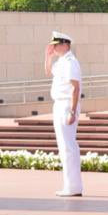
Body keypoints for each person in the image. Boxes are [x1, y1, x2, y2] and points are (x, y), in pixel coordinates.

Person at [46, 30, 83, 197]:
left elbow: (75, 88)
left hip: (67, 104)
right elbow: (48, 72)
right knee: (64, 147)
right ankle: (70, 185)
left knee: (68, 147)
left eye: (56, 45)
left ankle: (73, 187)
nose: (53, 47)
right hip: (59, 104)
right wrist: (48, 57)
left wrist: (72, 111)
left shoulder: (70, 62)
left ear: (65, 45)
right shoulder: (61, 61)